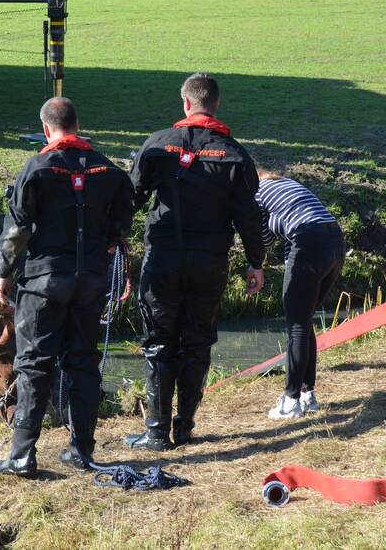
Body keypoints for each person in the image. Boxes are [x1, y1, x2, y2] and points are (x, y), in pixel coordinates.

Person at [0, 97, 133, 478]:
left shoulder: (36, 168)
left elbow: (17, 229)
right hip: (90, 281)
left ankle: (21, 455)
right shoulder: (109, 169)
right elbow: (122, 226)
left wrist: (2, 272)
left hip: (44, 282)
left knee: (34, 365)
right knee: (83, 363)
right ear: (77, 123)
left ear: (46, 128)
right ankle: (82, 450)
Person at [124, 73, 266, 451]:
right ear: (216, 104)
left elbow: (130, 198)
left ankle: (156, 432)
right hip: (210, 261)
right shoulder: (234, 154)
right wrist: (256, 262)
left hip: (164, 257)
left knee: (158, 342)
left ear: (185, 103)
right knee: (197, 342)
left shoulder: (158, 145)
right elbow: (249, 216)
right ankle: (185, 428)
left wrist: (112, 241)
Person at [256, 173, 346, 419]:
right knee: (304, 321)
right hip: (334, 241)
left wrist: (253, 259)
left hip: (308, 241)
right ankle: (308, 395)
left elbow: (262, 238)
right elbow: (289, 231)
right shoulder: (287, 185)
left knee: (296, 324)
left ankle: (291, 400)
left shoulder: (256, 190)